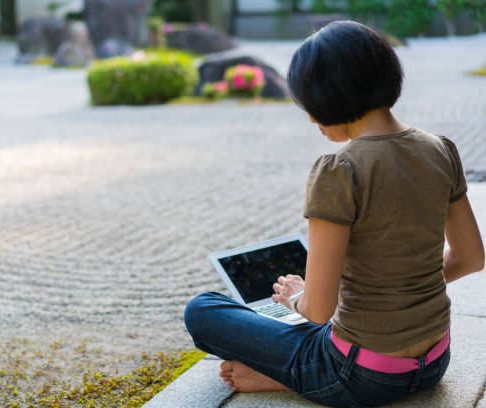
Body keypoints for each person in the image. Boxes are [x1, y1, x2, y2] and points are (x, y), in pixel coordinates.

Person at [183, 20, 484, 407]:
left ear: (330, 97)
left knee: (203, 310)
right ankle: (296, 371)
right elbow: (472, 258)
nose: (311, 119)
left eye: (310, 104)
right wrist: (400, 290)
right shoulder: (441, 149)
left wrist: (297, 297)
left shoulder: (339, 170)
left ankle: (287, 376)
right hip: (433, 361)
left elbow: (319, 311)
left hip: (359, 375)